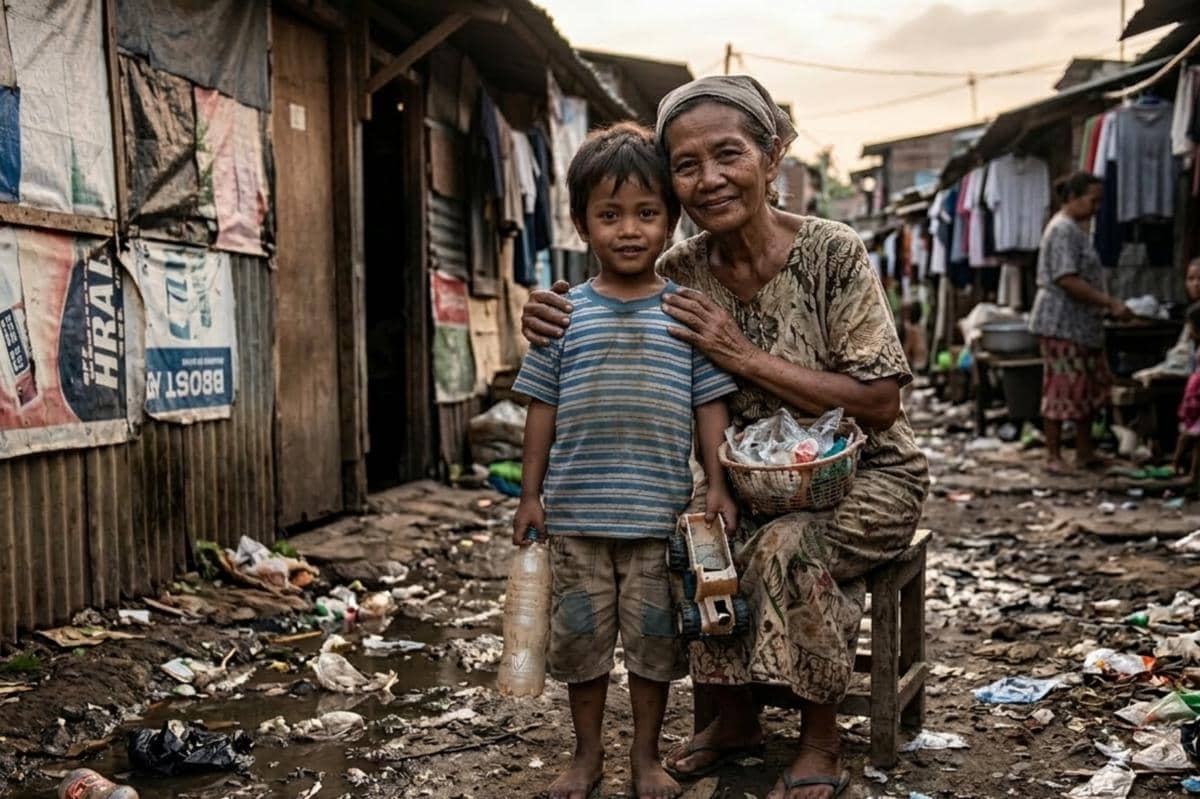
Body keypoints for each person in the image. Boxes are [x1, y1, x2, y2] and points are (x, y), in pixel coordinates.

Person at [522, 76, 930, 799]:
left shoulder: (831, 252)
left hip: (866, 478)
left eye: (728, 154)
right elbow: (609, 298)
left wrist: (742, 356)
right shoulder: (679, 272)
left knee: (786, 545)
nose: (709, 178)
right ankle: (733, 719)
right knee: (684, 536)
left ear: (771, 157)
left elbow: (880, 401)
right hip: (748, 481)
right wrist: (546, 312)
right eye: (686, 165)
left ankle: (819, 738)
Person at [511, 122, 739, 799]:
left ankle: (645, 756)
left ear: (671, 220)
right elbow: (540, 409)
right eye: (610, 215)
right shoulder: (562, 317)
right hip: (576, 519)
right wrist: (529, 496)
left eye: (646, 213)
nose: (630, 230)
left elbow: (709, 407)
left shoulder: (685, 314)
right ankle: (586, 756)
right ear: (582, 224)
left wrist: (718, 485)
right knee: (580, 645)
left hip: (657, 520)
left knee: (654, 647)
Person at [1028, 171, 1134, 475]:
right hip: (1062, 322)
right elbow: (1066, 279)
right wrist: (1109, 303)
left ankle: (1084, 452)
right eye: (1092, 200)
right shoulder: (1063, 229)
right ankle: (1053, 454)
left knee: (1084, 386)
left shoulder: (1074, 229)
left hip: (1080, 324)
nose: (1096, 208)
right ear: (1073, 198)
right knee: (1062, 386)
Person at [1172, 302, 1200, 482]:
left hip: (1196, 401)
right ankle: (1187, 471)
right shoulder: (1196, 350)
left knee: (1191, 438)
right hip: (1194, 401)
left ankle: (1189, 473)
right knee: (1192, 439)